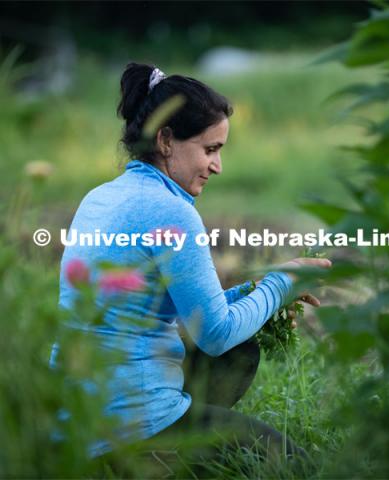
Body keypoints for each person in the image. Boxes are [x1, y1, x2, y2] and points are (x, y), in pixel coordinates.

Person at [51, 62, 332, 468]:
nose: (218, 166)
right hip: (131, 420)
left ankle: (162, 459)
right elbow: (215, 333)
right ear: (166, 140)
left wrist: (264, 291)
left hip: (76, 421)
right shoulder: (170, 212)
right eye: (210, 149)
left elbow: (186, 311)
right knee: (297, 465)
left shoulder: (100, 197)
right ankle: (153, 457)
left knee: (240, 353)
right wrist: (280, 283)